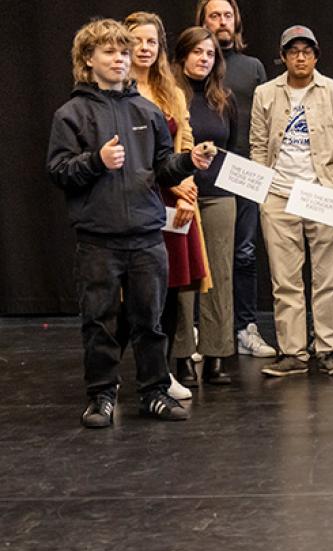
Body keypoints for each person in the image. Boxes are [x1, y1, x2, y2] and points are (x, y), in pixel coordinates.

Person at [48, 18, 212, 426]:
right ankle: (101, 397)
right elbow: (58, 171)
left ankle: (154, 393)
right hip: (98, 239)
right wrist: (96, 162)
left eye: (124, 52)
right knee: (100, 322)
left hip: (145, 236)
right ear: (88, 60)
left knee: (150, 321)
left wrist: (189, 161)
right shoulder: (71, 114)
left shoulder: (147, 111)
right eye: (110, 51)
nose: (121, 58)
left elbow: (162, 168)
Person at [250, 25, 333, 378]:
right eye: (293, 51)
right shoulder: (265, 93)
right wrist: (264, 191)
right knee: (285, 280)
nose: (300, 57)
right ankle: (293, 352)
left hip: (323, 194)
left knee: (328, 279)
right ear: (283, 57)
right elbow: (257, 144)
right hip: (280, 195)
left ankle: (329, 349)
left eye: (306, 51)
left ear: (315, 55)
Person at [127, 13, 209, 401]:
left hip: (175, 199)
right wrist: (173, 186)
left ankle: (162, 373)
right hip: (140, 198)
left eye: (151, 42)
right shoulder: (117, 91)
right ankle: (123, 374)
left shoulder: (171, 90)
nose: (144, 48)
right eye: (136, 40)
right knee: (139, 293)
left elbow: (187, 141)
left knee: (174, 286)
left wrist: (187, 186)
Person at [195, 0, 275, 359]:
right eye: (214, 15)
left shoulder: (253, 67)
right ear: (203, 21)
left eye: (227, 15)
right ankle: (200, 329)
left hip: (245, 172)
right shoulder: (194, 68)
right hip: (201, 172)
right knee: (202, 255)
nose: (222, 22)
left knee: (244, 253)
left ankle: (245, 328)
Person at [172, 26, 238, 387]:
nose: (203, 59)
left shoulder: (223, 99)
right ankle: (182, 356)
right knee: (184, 276)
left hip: (219, 196)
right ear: (182, 56)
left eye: (210, 54)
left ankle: (216, 355)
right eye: (196, 52)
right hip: (181, 196)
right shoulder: (169, 97)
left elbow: (235, 149)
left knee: (221, 276)